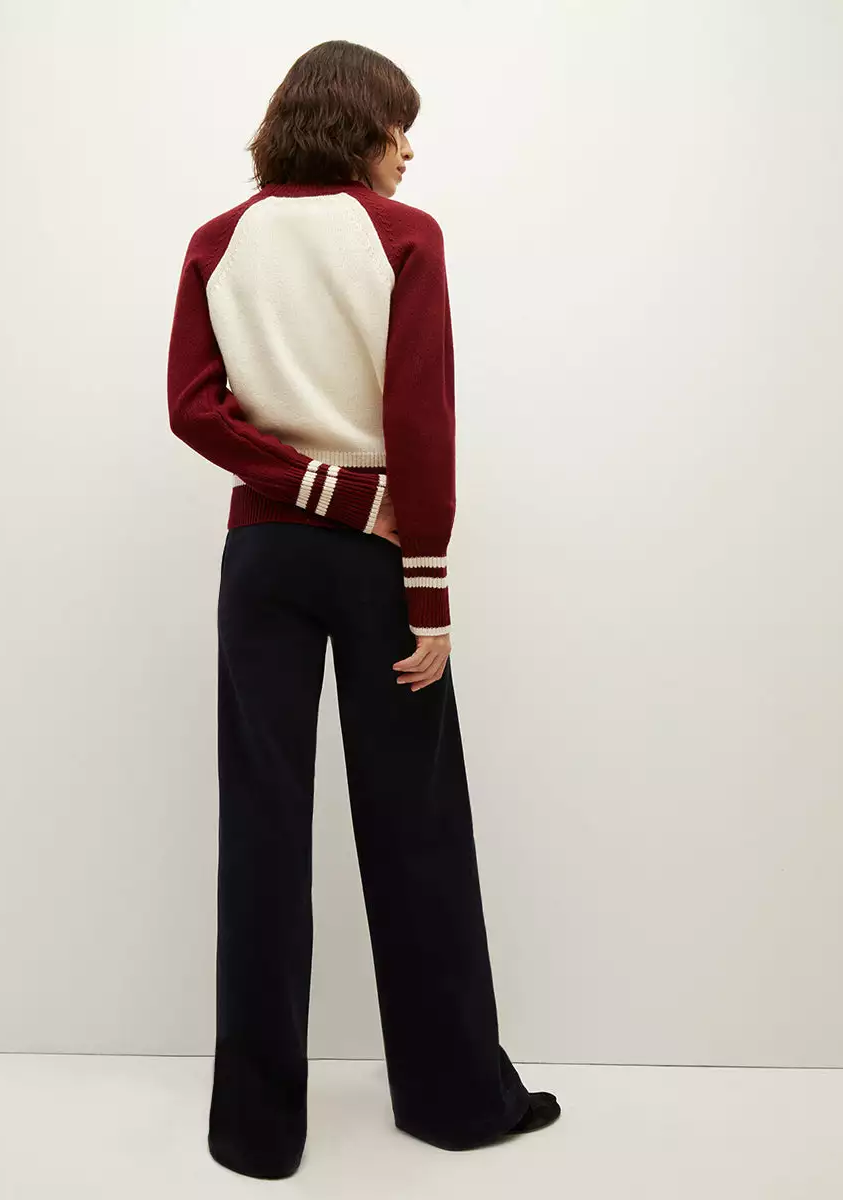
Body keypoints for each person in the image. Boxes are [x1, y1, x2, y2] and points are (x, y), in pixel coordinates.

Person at [166, 38, 561, 1180]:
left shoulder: (217, 240)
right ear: (358, 126)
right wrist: (424, 577)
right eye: (399, 127)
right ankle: (456, 1102)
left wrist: (304, 487)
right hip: (382, 558)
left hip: (262, 560)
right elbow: (420, 420)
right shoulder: (404, 237)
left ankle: (253, 1132)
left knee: (260, 829)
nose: (407, 151)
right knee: (416, 825)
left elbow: (192, 409)